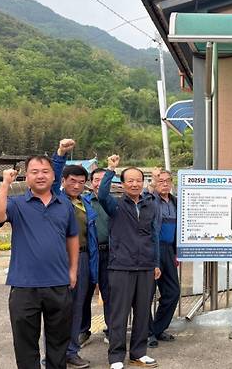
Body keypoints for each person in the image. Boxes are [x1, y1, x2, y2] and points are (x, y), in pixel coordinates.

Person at [0, 155, 79, 369]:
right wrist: (5, 184)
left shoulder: (64, 205)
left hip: (58, 283)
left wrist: (73, 270)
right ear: (26, 176)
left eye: (45, 171)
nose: (40, 176)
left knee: (59, 343)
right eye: (34, 172)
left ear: (54, 175)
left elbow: (72, 237)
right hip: (24, 286)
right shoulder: (17, 203)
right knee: (25, 345)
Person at [99, 154, 161, 369]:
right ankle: (116, 357)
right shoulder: (115, 205)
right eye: (130, 180)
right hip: (121, 266)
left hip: (146, 266)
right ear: (123, 184)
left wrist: (156, 263)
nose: (135, 184)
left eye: (138, 180)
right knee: (119, 314)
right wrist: (110, 170)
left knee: (143, 313)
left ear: (143, 183)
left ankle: (138, 353)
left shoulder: (150, 205)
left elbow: (154, 235)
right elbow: (102, 193)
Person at [52, 139, 99, 368]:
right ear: (63, 181)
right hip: (60, 260)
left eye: (81, 182)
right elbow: (52, 178)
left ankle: (71, 351)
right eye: (72, 181)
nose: (77, 185)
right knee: (58, 310)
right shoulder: (55, 199)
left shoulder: (85, 203)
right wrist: (61, 153)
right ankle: (54, 355)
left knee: (78, 307)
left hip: (83, 258)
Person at [148, 169, 180, 348]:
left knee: (172, 292)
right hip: (152, 250)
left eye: (168, 180)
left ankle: (157, 329)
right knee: (147, 294)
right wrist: (152, 183)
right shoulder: (150, 200)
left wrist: (177, 252)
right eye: (161, 181)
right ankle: (147, 333)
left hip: (168, 250)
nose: (165, 184)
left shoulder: (175, 202)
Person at [85, 167, 111, 343]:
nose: (100, 183)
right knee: (84, 293)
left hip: (110, 253)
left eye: (104, 179)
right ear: (91, 182)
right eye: (96, 180)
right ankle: (83, 330)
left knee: (110, 293)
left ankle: (112, 329)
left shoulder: (114, 202)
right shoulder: (84, 202)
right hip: (89, 253)